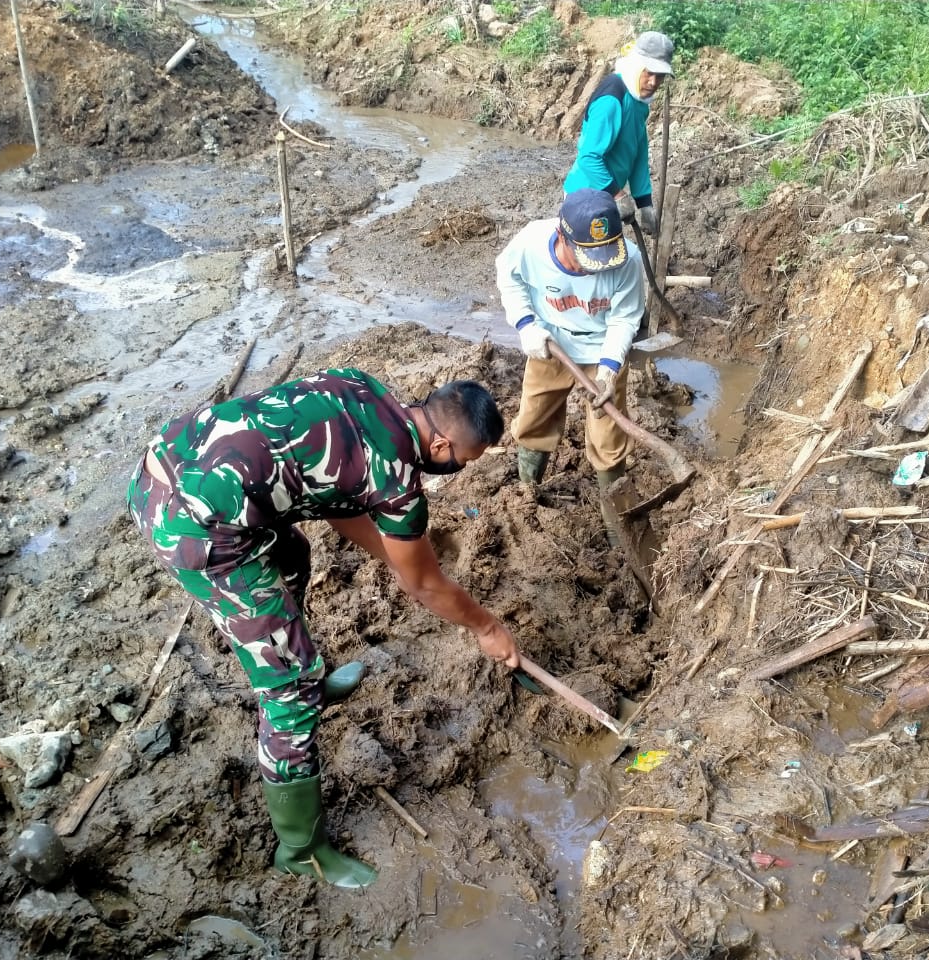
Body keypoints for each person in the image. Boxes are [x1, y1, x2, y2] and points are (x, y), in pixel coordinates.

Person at [126, 370, 519, 889]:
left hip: (170, 461)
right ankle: (301, 848)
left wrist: (406, 563)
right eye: (459, 462)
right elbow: (425, 585)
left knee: (292, 553)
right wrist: (486, 626)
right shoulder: (397, 480)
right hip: (194, 526)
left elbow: (338, 504)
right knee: (289, 690)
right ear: (442, 445)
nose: (454, 470)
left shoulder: (362, 387)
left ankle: (301, 667)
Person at [495, 188, 647, 542]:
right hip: (550, 343)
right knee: (535, 416)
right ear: (562, 237)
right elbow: (508, 275)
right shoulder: (531, 243)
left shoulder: (628, 260)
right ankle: (526, 492)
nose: (602, 266)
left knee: (608, 435)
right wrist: (525, 324)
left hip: (601, 349)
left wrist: (609, 368)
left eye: (607, 253)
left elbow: (625, 318)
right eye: (589, 258)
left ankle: (616, 526)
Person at [562, 30, 675, 235]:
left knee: (608, 262)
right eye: (649, 72)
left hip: (606, 198)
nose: (653, 82)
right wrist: (618, 195)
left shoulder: (639, 102)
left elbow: (637, 153)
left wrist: (644, 203)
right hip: (584, 199)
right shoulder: (612, 99)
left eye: (660, 76)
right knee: (587, 263)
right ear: (636, 63)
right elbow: (589, 157)